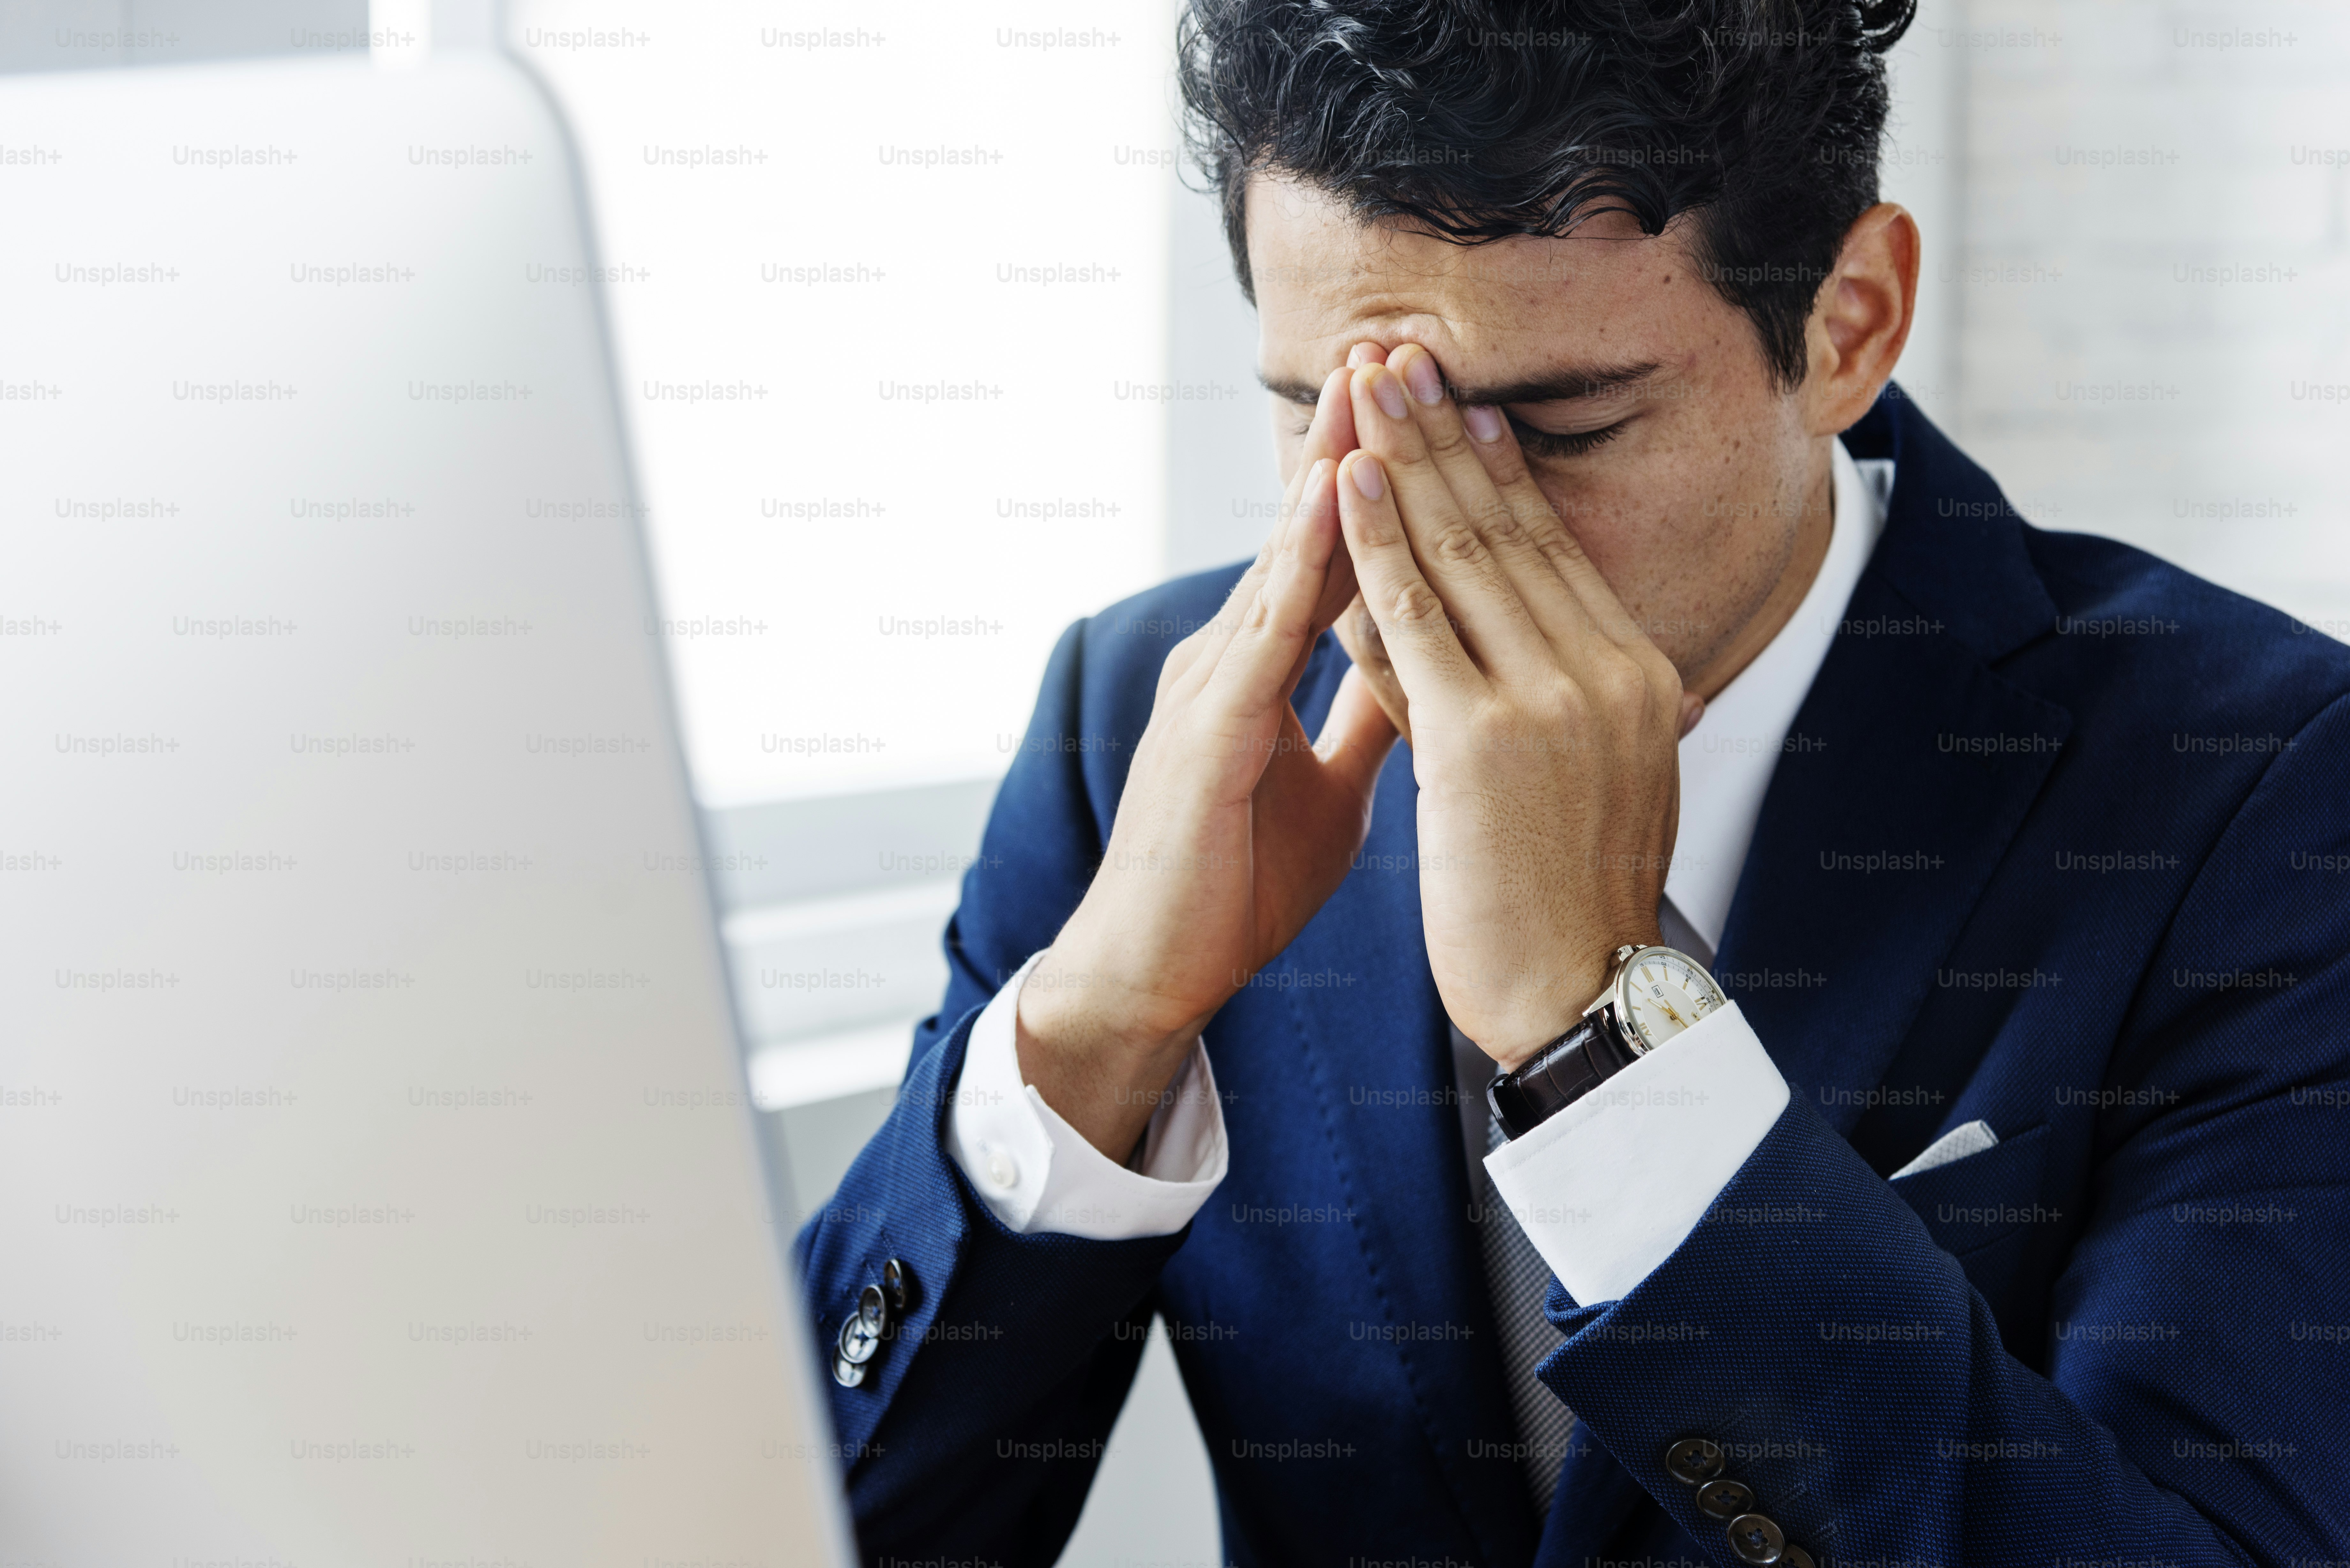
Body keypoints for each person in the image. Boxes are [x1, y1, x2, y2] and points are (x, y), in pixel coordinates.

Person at [798, 1, 2350, 1562]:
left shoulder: (2265, 786)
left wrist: (1605, 1049)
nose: (1407, 523)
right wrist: (1094, 1035)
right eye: (1312, 416)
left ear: (1849, 324)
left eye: (1558, 425)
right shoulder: (1137, 722)